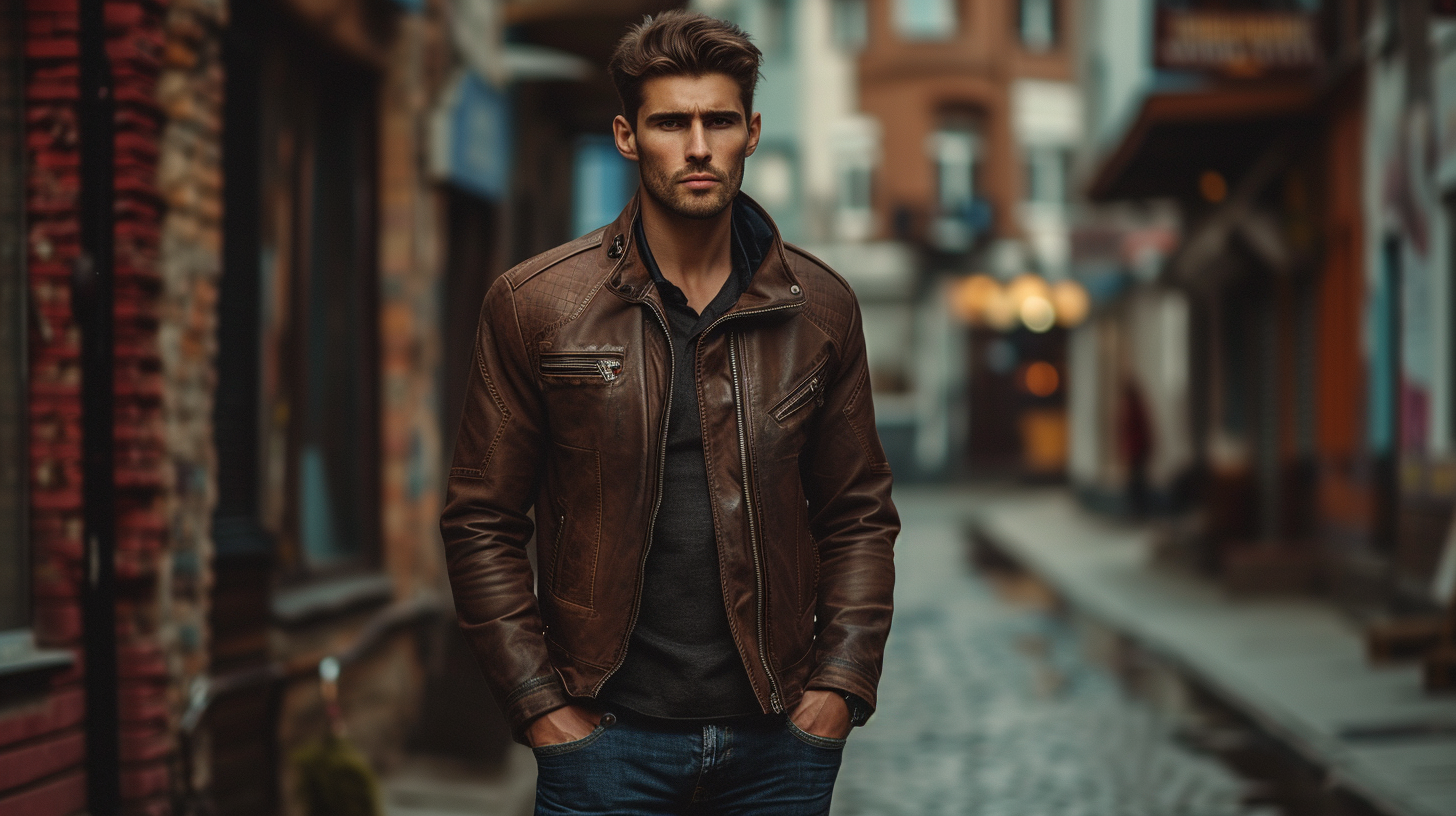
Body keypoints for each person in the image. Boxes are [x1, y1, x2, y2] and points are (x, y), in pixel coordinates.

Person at [440, 11, 899, 815]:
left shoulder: (820, 309)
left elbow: (858, 515)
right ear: (627, 135)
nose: (697, 146)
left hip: (776, 744)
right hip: (605, 745)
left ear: (752, 132)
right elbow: (481, 518)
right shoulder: (537, 305)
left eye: (718, 120)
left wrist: (838, 688)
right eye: (670, 122)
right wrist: (541, 706)